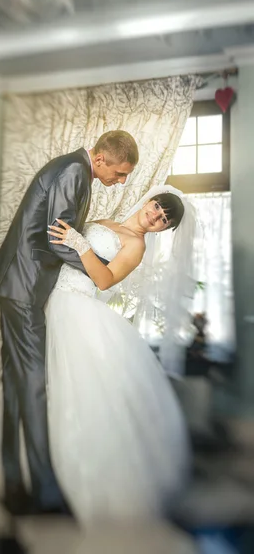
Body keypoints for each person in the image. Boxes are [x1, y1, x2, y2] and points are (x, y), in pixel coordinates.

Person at [0, 130, 139, 515]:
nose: (120, 182)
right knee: (34, 382)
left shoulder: (74, 169)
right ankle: (45, 489)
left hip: (18, 283)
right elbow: (57, 240)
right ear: (100, 159)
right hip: (25, 286)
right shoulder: (75, 172)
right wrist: (96, 269)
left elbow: (58, 235)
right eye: (119, 173)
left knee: (18, 382)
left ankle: (14, 481)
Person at [45, 185, 197, 524]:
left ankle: (86, 484)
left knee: (80, 396)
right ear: (150, 200)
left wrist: (81, 244)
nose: (155, 217)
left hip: (77, 308)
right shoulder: (106, 221)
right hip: (55, 299)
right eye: (158, 208)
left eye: (163, 220)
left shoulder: (136, 245)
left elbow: (104, 280)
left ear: (163, 230)